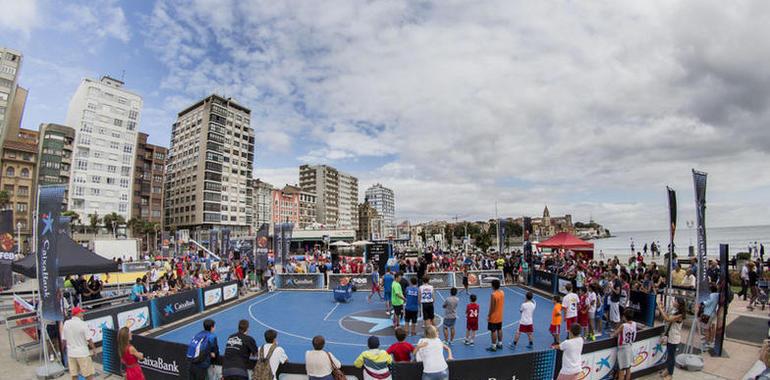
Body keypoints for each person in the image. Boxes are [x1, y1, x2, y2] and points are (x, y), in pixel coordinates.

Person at [62, 306, 96, 380]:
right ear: (77, 314)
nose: (83, 314)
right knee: (88, 375)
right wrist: (93, 349)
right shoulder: (83, 324)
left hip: (71, 353)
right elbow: (89, 339)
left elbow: (64, 340)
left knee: (74, 375)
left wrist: (63, 350)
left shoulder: (66, 323)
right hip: (82, 353)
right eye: (81, 312)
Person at [658, 298, 685, 380]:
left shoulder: (680, 315)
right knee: (668, 355)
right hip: (669, 336)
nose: (674, 302)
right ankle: (667, 370)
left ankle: (670, 374)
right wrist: (662, 308)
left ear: (679, 304)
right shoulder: (674, 310)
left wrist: (659, 308)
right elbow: (666, 315)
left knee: (671, 357)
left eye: (676, 301)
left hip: (674, 338)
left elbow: (667, 319)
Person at [612, 309, 637, 380]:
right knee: (628, 369)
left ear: (624, 317)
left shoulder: (623, 325)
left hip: (623, 349)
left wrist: (613, 333)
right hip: (630, 347)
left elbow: (614, 334)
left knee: (621, 370)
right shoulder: (635, 324)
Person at [486, 279, 504, 352]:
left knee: (493, 331)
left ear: (493, 286)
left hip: (494, 316)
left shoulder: (493, 295)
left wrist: (489, 315)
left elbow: (492, 307)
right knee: (499, 329)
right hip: (500, 315)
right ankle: (500, 344)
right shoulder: (502, 292)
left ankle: (493, 346)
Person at [700, 284, 720, 348]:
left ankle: (706, 342)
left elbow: (707, 303)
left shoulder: (711, 295)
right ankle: (710, 341)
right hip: (713, 313)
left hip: (707, 314)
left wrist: (702, 301)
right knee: (711, 328)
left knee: (706, 329)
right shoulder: (718, 295)